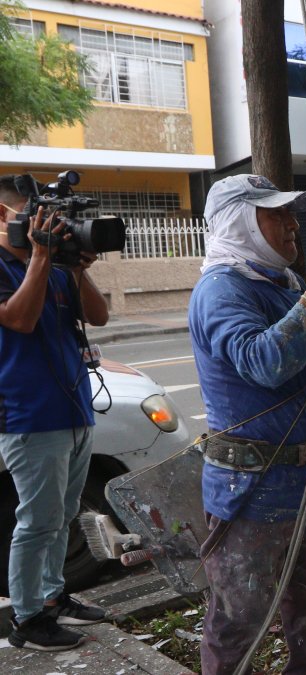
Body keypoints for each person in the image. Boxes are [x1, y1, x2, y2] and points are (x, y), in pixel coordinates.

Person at [189, 174, 306, 674]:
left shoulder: (283, 285)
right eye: (277, 214)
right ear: (241, 222)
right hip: (252, 491)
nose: (293, 225)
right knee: (240, 619)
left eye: (291, 214)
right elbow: (262, 362)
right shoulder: (219, 291)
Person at [0, 174, 110, 651]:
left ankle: (52, 596)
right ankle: (27, 620)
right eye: (34, 215)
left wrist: (78, 267)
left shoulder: (61, 268)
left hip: (75, 407)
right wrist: (41, 258)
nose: (44, 224)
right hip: (29, 416)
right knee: (37, 521)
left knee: (63, 515)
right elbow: (19, 319)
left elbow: (99, 316)